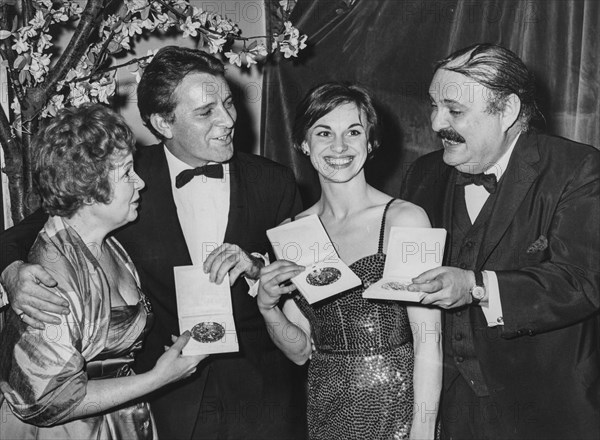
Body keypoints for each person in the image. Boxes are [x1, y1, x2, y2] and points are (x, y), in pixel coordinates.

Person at [0, 46, 306, 439]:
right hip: (161, 406)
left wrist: (257, 269)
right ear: (163, 122)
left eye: (228, 103)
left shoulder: (275, 181)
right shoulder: (117, 181)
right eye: (205, 111)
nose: (228, 120)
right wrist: (12, 273)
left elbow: (303, 284)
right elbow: (22, 235)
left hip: (262, 400)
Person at [401, 43, 600, 439]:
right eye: (434, 105)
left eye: (455, 110)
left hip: (548, 409)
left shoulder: (577, 169)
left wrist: (476, 287)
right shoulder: (422, 175)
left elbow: (582, 281)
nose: (437, 122)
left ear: (507, 110)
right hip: (451, 411)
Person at [0, 103, 205, 439]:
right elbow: (44, 399)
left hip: (119, 419)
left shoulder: (109, 244)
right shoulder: (51, 274)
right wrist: (158, 378)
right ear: (88, 187)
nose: (140, 183)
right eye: (126, 172)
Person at [257, 82, 442, 439]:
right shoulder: (292, 232)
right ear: (304, 144)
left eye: (353, 132)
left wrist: (423, 431)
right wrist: (268, 309)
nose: (339, 146)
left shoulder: (405, 219)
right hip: (328, 409)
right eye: (324, 132)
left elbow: (429, 341)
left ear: (370, 143)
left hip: (400, 410)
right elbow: (299, 351)